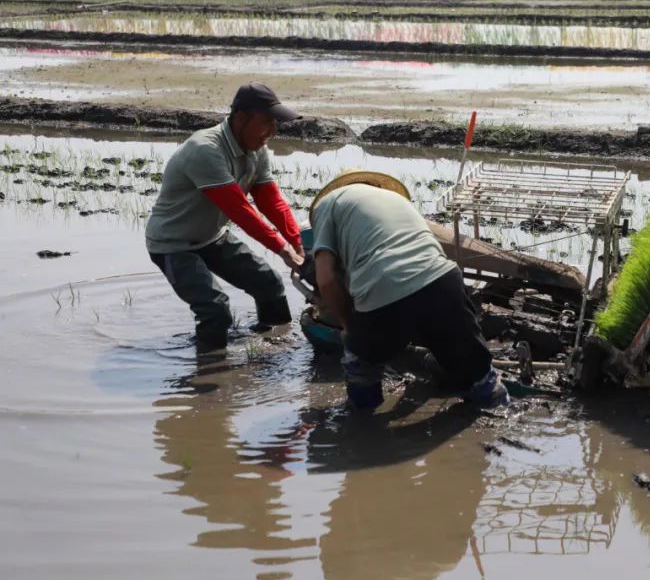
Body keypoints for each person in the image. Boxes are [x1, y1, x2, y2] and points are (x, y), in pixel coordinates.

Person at [308, 170, 508, 409]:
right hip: (444, 279)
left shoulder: (327, 205)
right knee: (479, 375)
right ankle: (496, 406)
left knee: (360, 362)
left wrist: (349, 328)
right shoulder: (396, 201)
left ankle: (361, 424)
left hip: (384, 288)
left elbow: (327, 279)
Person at [146, 82, 305, 358]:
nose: (273, 131)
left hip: (212, 237)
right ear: (241, 118)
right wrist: (282, 249)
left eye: (275, 123)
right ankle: (211, 374)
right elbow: (240, 210)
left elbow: (270, 201)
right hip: (173, 244)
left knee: (268, 284)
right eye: (267, 122)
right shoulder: (205, 149)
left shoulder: (256, 147)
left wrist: (296, 243)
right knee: (215, 309)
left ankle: (275, 350)